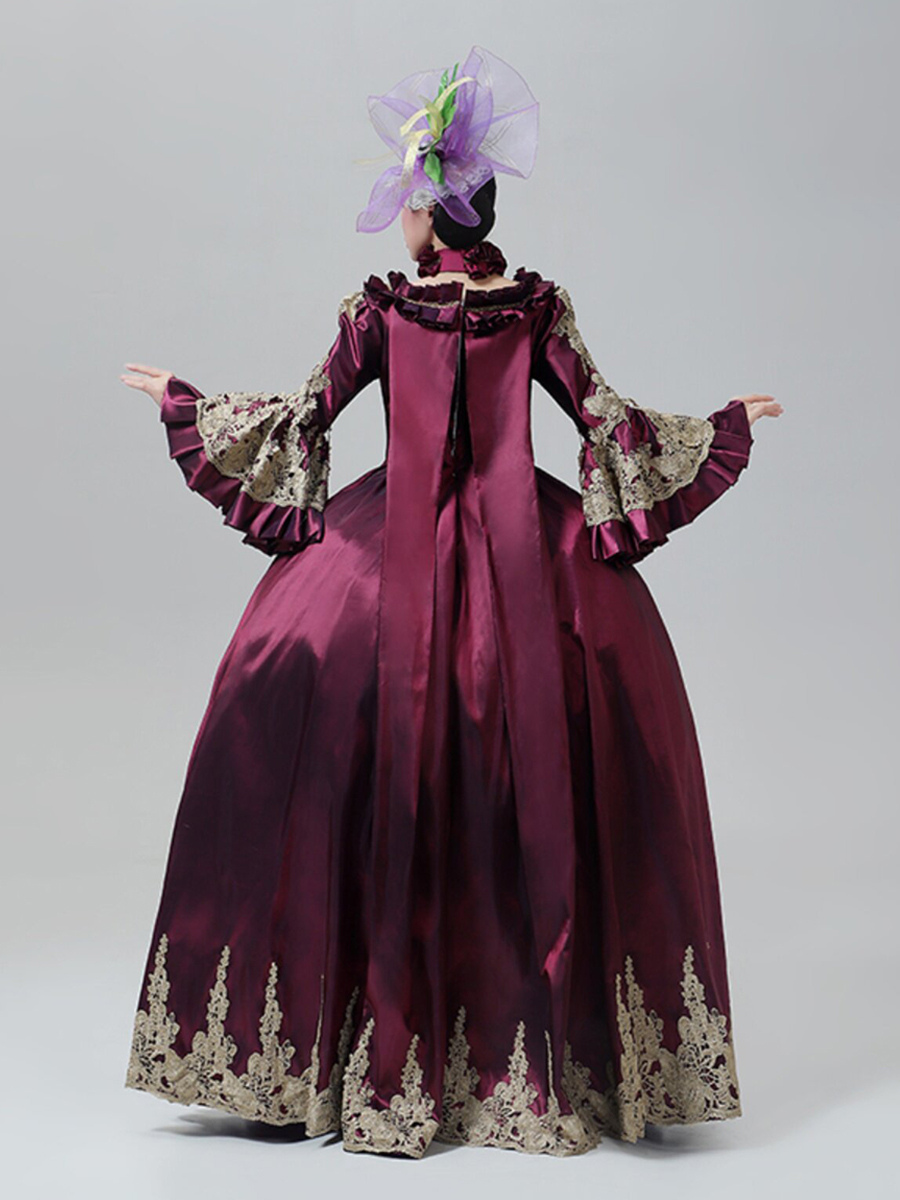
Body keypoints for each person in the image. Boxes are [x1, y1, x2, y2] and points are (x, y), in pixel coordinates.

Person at [120, 45, 782, 1160]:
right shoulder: (537, 306)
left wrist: (187, 406)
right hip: (534, 564)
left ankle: (344, 1042)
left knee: (301, 690)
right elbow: (610, 423)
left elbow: (302, 419)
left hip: (388, 566)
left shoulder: (382, 311)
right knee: (567, 730)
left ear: (431, 214)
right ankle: (541, 1048)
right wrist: (719, 429)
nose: (398, 218)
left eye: (406, 200)